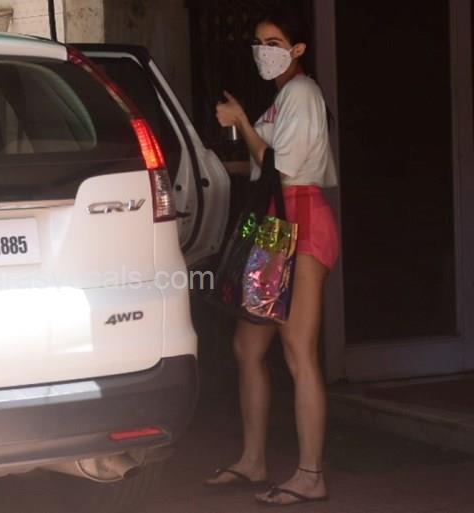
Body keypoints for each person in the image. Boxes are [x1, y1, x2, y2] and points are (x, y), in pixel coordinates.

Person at [203, 7, 339, 507]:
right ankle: (253, 460)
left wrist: (241, 121)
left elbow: (279, 166)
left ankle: (310, 474)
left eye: (274, 43)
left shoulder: (302, 93)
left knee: (297, 351)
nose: (264, 51)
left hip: (299, 222)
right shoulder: (284, 98)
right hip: (274, 224)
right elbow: (262, 165)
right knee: (248, 346)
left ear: (298, 49)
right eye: (259, 43)